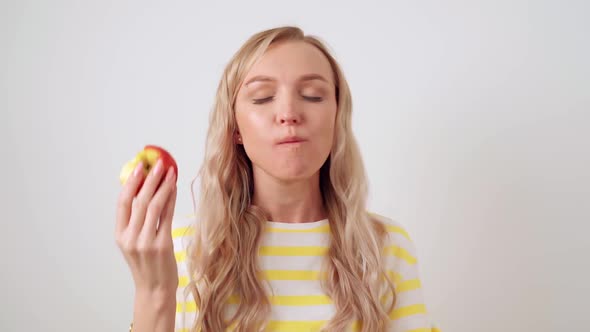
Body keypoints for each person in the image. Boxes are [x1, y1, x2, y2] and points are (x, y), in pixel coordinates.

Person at [115, 26, 441, 332]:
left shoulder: (384, 248)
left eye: (313, 95)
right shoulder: (183, 246)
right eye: (262, 97)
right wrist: (154, 293)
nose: (288, 112)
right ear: (235, 129)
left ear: (337, 118)